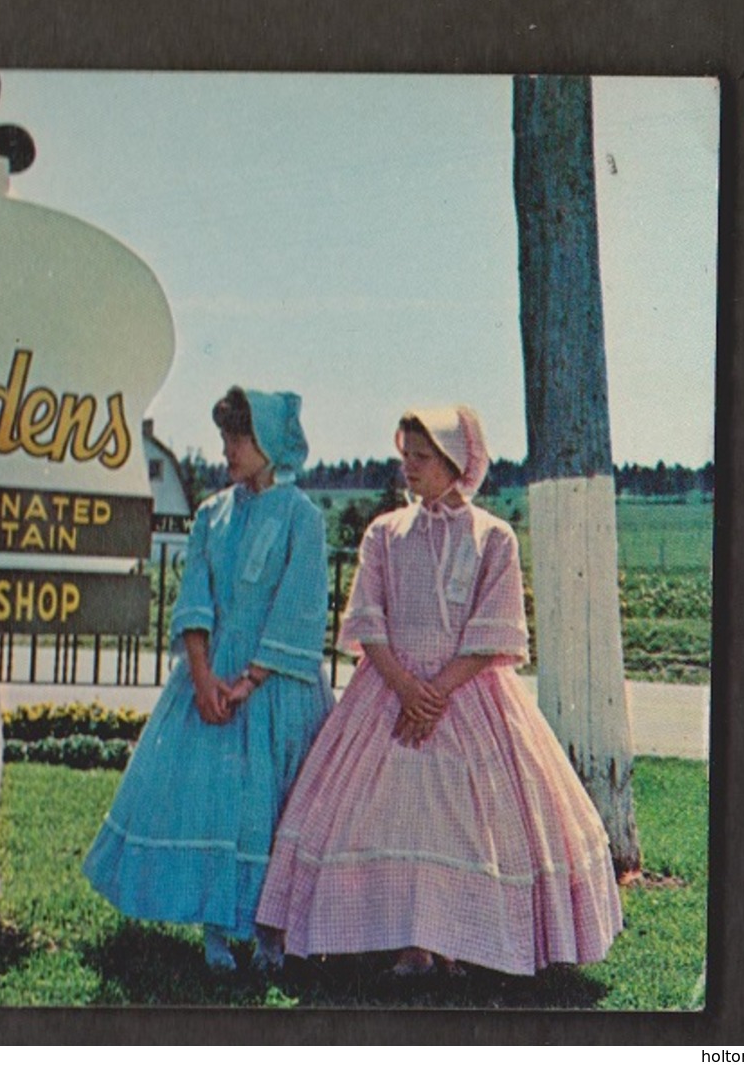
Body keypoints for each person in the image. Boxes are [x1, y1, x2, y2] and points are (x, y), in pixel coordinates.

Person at [255, 405, 623, 977]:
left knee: (465, 816)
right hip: (388, 690)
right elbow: (366, 618)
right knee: (386, 803)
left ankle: (454, 940)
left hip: (467, 693)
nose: (410, 468)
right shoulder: (385, 533)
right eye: (406, 457)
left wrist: (436, 693)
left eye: (422, 458)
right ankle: (399, 937)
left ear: (456, 463)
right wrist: (405, 687)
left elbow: (494, 628)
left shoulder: (493, 538)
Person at [82, 387, 333, 972]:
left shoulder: (304, 518)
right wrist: (202, 677)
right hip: (211, 678)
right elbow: (193, 598)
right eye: (224, 437)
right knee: (213, 802)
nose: (227, 449)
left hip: (276, 684)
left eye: (237, 438)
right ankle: (216, 926)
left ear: (268, 442)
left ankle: (271, 931)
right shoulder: (210, 514)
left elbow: (300, 606)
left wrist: (249, 681)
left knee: (271, 806)